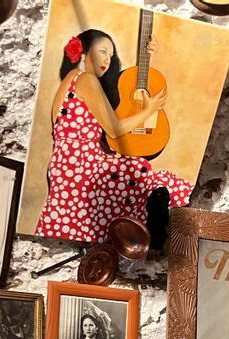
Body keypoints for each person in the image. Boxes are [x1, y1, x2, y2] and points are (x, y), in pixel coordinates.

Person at [34, 30, 192, 243]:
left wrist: (154, 61)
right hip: (82, 166)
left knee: (76, 223)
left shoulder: (70, 79)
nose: (107, 59)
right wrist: (149, 108)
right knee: (142, 175)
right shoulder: (86, 80)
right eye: (102, 51)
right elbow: (115, 129)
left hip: (64, 163)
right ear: (84, 53)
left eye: (111, 53)